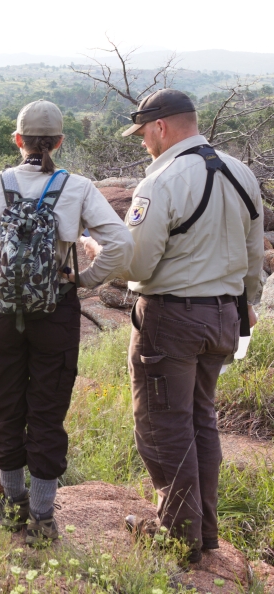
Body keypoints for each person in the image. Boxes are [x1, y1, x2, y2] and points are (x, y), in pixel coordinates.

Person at [0, 99, 134, 544]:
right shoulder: (77, 186)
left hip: (2, 311)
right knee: (48, 411)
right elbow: (120, 243)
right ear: (60, 141)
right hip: (56, 310)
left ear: (18, 140)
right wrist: (83, 280)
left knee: (7, 407)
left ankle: (12, 507)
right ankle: (43, 517)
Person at [85, 88, 264, 563]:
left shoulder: (161, 182)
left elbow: (139, 267)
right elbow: (253, 255)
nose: (144, 142)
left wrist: (100, 254)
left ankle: (176, 536)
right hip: (225, 315)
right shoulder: (240, 171)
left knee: (163, 425)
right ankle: (203, 531)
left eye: (144, 132)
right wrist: (248, 303)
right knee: (201, 420)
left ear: (161, 126)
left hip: (172, 318)